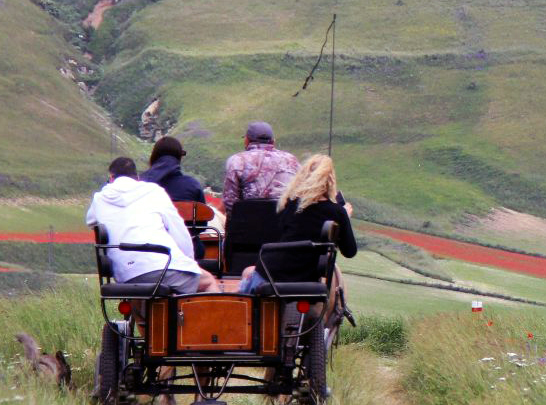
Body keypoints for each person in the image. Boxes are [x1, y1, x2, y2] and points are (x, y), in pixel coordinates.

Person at [86, 157, 218, 293]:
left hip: (125, 274)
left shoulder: (100, 198)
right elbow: (179, 233)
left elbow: (90, 221)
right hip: (163, 267)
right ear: (137, 178)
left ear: (111, 178)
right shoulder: (154, 191)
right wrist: (189, 262)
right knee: (208, 282)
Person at [238, 154, 356, 295]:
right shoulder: (337, 212)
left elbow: (279, 234)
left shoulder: (291, 203)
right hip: (304, 280)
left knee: (246, 279)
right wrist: (345, 219)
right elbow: (350, 251)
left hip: (269, 272)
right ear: (330, 180)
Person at [222, 121, 302, 218]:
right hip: (283, 227)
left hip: (247, 226)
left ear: (247, 140)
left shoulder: (237, 160)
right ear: (273, 141)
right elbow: (299, 195)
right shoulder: (291, 160)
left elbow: (230, 201)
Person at [140, 136, 205, 204]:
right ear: (178, 158)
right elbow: (200, 213)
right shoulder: (192, 186)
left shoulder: (139, 183)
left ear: (154, 156)